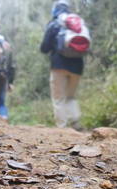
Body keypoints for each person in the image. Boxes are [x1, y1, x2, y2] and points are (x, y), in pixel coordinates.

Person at [40, 0, 86, 129]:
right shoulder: (78, 23)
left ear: (55, 10)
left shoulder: (54, 24)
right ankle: (76, 122)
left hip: (58, 65)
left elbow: (44, 48)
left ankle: (62, 127)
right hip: (77, 65)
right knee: (70, 96)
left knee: (58, 98)